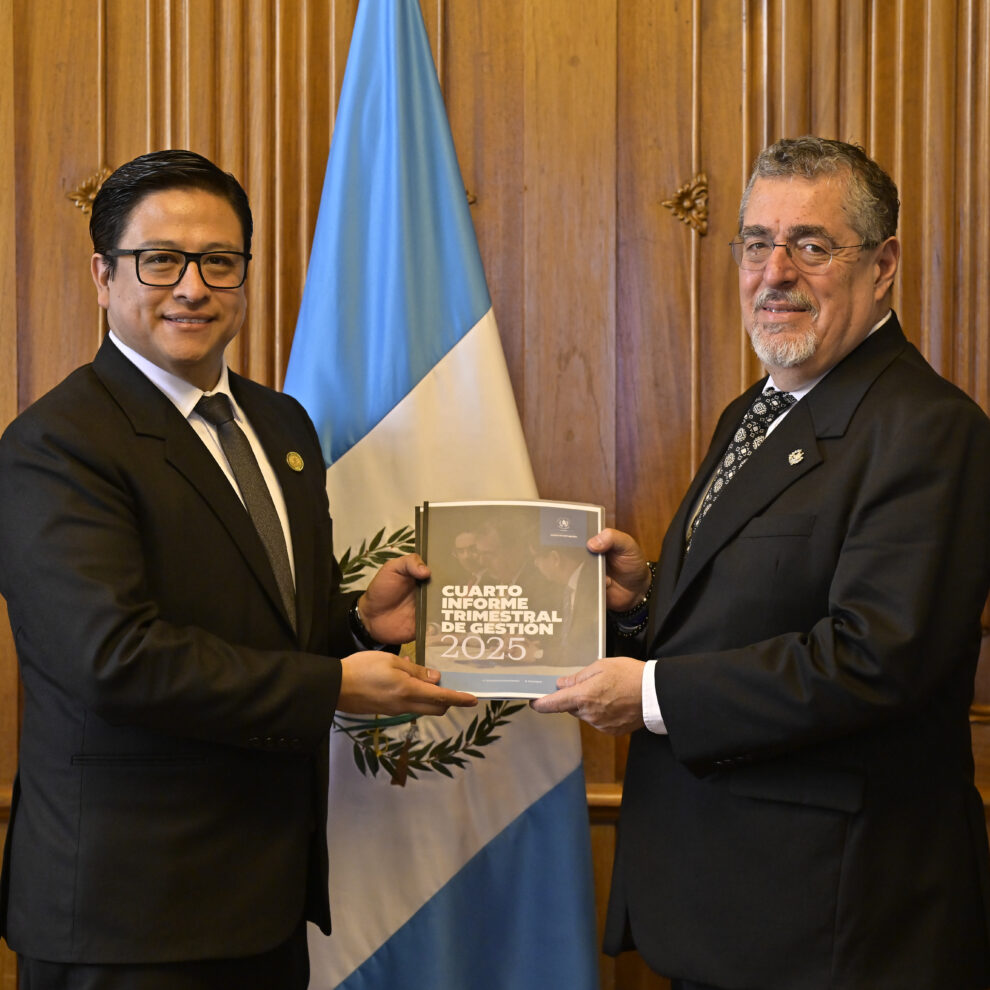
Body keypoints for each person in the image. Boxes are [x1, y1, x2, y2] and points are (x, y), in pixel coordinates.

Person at [0, 149, 476, 989]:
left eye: (219, 261)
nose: (193, 286)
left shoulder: (279, 424)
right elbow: (113, 661)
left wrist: (361, 622)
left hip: (263, 897)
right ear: (104, 276)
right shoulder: (57, 445)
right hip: (128, 914)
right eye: (161, 261)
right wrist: (331, 685)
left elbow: (266, 625)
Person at [534, 136, 990, 989]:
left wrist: (653, 694)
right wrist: (643, 605)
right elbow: (753, 605)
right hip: (735, 904)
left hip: (835, 927)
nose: (774, 271)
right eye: (755, 242)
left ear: (883, 265)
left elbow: (874, 659)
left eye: (811, 245)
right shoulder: (758, 409)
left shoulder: (929, 430)